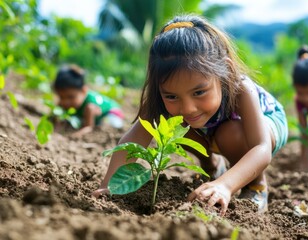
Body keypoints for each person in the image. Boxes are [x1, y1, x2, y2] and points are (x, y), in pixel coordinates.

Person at [92, 15, 288, 215]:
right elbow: (132, 142)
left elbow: (261, 148)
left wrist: (225, 186)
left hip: (264, 126)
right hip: (211, 129)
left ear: (226, 71)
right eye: (172, 96)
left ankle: (256, 186)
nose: (188, 108)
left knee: (229, 134)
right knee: (169, 123)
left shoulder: (242, 89)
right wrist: (110, 186)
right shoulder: (161, 102)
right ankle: (211, 166)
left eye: (199, 92)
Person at [53, 64, 124, 137]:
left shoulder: (89, 107)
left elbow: (89, 127)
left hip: (111, 113)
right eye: (61, 97)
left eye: (70, 97)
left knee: (108, 125)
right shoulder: (62, 104)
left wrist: (75, 135)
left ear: (84, 91)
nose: (66, 102)